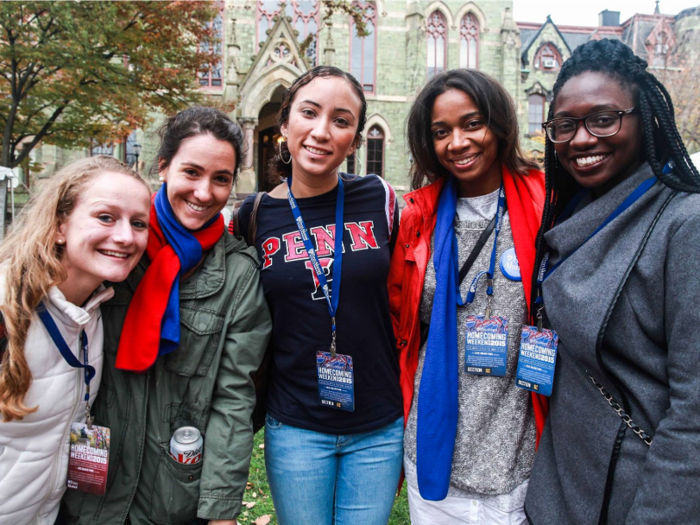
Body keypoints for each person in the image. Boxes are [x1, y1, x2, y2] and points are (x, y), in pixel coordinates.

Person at [62, 107, 272, 525]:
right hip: (87, 491)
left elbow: (234, 400)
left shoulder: (239, 274)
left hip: (174, 495)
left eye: (221, 178)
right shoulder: (113, 250)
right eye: (191, 172)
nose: (204, 192)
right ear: (163, 167)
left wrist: (221, 510)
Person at [524, 39, 700, 524]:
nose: (581, 139)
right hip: (556, 493)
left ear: (645, 117)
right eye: (565, 125)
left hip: (632, 499)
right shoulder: (570, 212)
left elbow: (694, 416)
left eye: (603, 119)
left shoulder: (684, 224)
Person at [236, 66, 403, 525]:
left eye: (341, 120)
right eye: (309, 113)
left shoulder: (381, 200)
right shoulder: (253, 216)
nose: (321, 131)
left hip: (378, 424)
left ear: (354, 138)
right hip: (296, 425)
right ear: (285, 123)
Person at [387, 69, 549, 524]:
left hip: (518, 461)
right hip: (434, 454)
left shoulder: (546, 204)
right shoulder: (416, 219)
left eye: (472, 124)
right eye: (442, 132)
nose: (458, 142)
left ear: (498, 123)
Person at [0, 156, 151, 525]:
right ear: (59, 226)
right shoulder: (6, 307)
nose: (125, 236)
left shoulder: (95, 311)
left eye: (138, 223)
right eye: (105, 217)